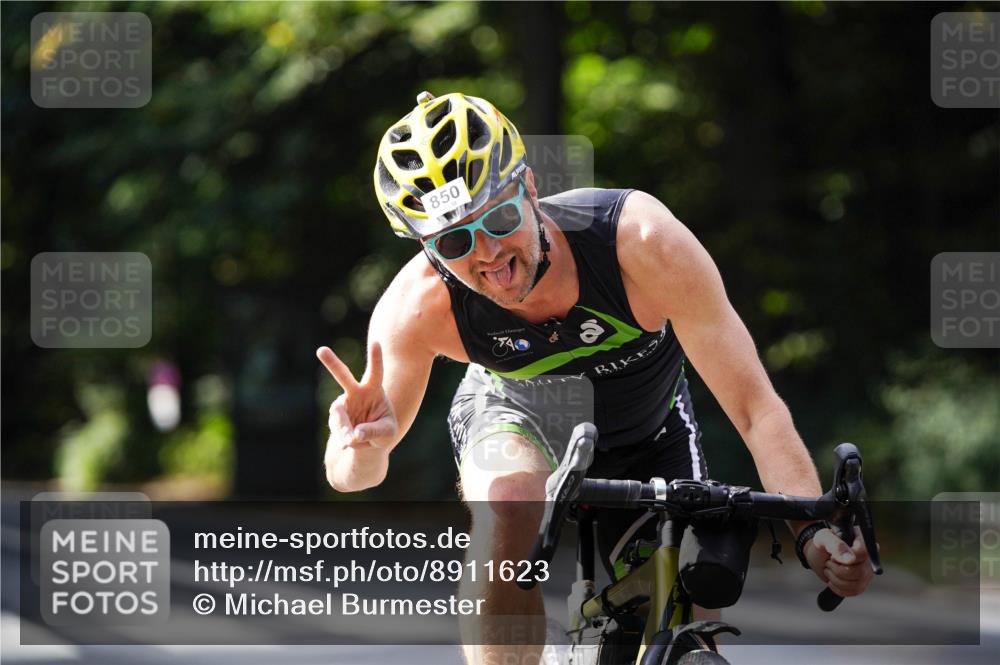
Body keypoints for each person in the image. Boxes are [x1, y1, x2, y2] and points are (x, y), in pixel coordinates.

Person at [317, 92, 875, 665]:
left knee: (694, 599)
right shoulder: (417, 308)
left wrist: (812, 531)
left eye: (500, 218)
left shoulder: (640, 243)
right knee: (510, 502)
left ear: (529, 189)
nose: (487, 255)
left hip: (648, 433)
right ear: (427, 250)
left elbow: (756, 408)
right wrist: (361, 446)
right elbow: (354, 477)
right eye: (454, 241)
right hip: (515, 421)